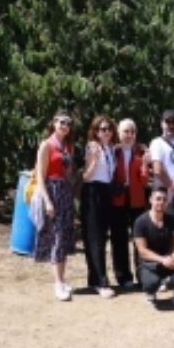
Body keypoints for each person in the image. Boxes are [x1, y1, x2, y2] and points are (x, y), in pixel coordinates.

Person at [33, 110, 76, 301]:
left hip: (65, 193)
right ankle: (57, 283)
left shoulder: (68, 147)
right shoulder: (46, 145)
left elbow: (69, 173)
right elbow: (40, 176)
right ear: (54, 123)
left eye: (68, 123)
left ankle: (62, 279)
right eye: (62, 122)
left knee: (64, 237)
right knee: (57, 237)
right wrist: (47, 201)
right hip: (52, 191)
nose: (65, 126)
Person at [133, 186, 174, 307]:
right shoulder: (140, 222)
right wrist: (162, 260)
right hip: (149, 264)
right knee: (151, 283)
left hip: (169, 261)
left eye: (164, 199)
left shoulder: (170, 219)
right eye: (158, 199)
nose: (161, 202)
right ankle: (150, 292)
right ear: (150, 200)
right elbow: (142, 251)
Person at [81, 115, 118, 299]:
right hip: (93, 191)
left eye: (109, 128)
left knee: (102, 236)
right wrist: (94, 159)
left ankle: (94, 278)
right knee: (95, 238)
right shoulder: (92, 147)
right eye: (103, 129)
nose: (107, 132)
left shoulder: (110, 148)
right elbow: (86, 177)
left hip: (106, 191)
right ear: (95, 131)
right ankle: (100, 281)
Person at [110, 118, 149, 290]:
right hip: (117, 198)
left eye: (132, 132)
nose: (129, 135)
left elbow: (144, 180)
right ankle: (123, 277)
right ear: (119, 133)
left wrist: (145, 164)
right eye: (126, 131)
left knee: (139, 238)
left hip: (136, 199)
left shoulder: (141, 151)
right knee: (119, 239)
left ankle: (142, 275)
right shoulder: (113, 151)